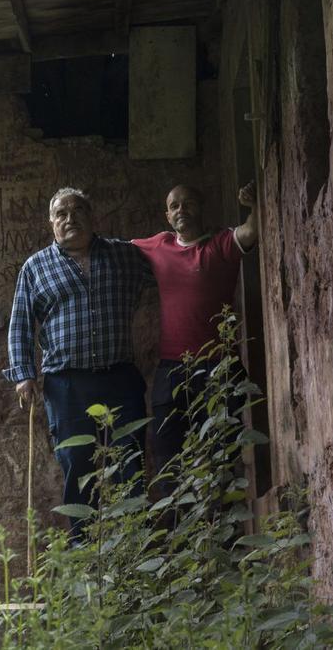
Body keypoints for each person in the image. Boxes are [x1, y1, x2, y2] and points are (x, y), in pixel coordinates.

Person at [4, 188, 154, 542]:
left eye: (78, 210)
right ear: (52, 224)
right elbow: (21, 324)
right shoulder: (35, 267)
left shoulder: (125, 256)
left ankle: (137, 549)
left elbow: (170, 267)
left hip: (120, 377)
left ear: (92, 215)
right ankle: (83, 551)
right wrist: (24, 375)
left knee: (130, 463)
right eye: (61, 214)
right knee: (77, 465)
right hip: (67, 385)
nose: (70, 218)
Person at [131, 183, 258, 488]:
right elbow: (114, 250)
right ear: (167, 215)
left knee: (222, 455)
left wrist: (255, 205)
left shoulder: (221, 244)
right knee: (167, 457)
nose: (181, 211)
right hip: (172, 369)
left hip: (219, 368)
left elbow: (251, 231)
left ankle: (222, 532)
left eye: (188, 204)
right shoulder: (158, 245)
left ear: (202, 206)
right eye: (174, 206)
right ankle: (179, 532)